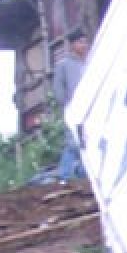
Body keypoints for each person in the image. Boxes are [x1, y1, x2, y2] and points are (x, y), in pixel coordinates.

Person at [52, 29, 89, 182]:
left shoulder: (88, 63)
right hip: (73, 109)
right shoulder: (64, 65)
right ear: (73, 45)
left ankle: (82, 172)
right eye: (81, 42)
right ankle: (64, 175)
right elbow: (58, 89)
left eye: (85, 42)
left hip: (89, 109)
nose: (85, 45)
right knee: (73, 142)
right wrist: (66, 105)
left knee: (87, 142)